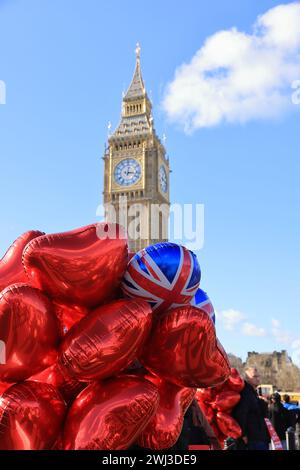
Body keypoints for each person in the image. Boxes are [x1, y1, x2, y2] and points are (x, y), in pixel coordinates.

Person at [232, 367, 269, 450]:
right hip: (252, 439)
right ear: (247, 378)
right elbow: (240, 414)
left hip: (258, 437)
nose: (258, 379)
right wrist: (243, 434)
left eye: (258, 376)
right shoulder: (246, 393)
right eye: (255, 376)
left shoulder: (253, 393)